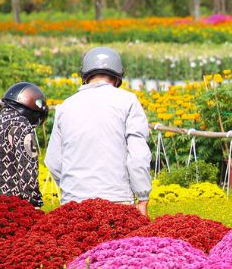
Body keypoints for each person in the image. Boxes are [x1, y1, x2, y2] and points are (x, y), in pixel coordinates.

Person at [45, 47, 152, 215]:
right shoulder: (128, 101)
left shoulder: (65, 106)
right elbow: (138, 156)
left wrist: (75, 187)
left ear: (85, 77)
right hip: (117, 200)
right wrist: (142, 196)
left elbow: (53, 161)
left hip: (72, 204)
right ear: (118, 78)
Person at [0, 82, 49, 206]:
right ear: (33, 110)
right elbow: (27, 170)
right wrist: (34, 204)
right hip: (9, 206)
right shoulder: (21, 125)